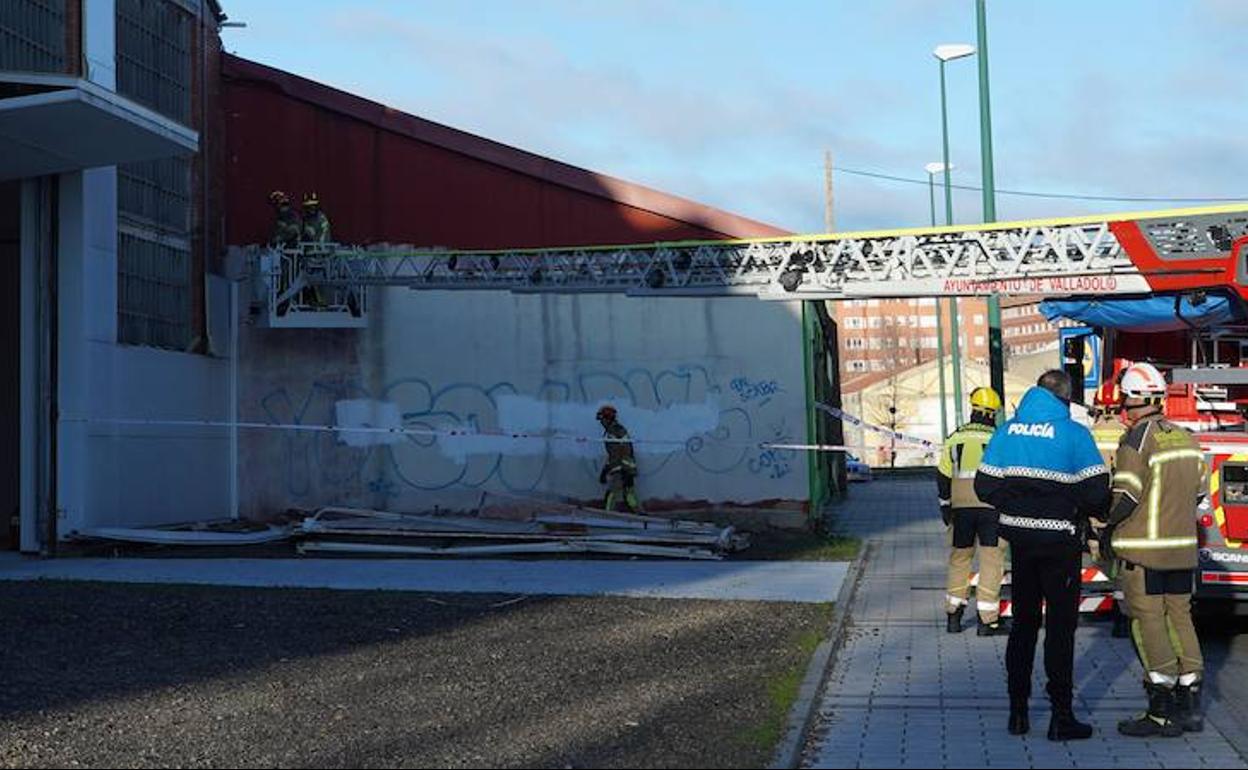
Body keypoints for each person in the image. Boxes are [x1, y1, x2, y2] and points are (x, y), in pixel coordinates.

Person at [974, 370, 1110, 741]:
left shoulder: (1007, 431)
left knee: (1023, 626)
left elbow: (983, 485)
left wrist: (1017, 505)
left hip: (1020, 543)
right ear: (1065, 399)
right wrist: (1069, 505)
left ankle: (1017, 713)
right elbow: (1098, 493)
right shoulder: (1074, 434)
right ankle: (1060, 716)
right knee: (1060, 630)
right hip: (1061, 544)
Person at [1098, 362, 1206, 737]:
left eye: (1124, 400)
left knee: (1148, 623)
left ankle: (1160, 710)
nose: (1122, 408)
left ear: (1133, 399)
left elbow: (1126, 494)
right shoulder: (1186, 437)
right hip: (1182, 552)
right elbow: (1200, 496)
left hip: (1144, 554)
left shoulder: (1136, 440)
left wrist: (1105, 524)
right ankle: (1190, 703)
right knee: (1180, 618)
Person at [938, 386, 1008, 636]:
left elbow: (943, 475)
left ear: (973, 408)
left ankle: (953, 617)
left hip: (961, 510)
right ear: (993, 413)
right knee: (991, 561)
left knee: (960, 560)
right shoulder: (999, 438)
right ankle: (986, 621)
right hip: (992, 510)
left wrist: (945, 506)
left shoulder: (955, 437)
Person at [1089, 379, 1131, 637]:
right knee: (1121, 561)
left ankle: (1105, 597)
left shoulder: (1089, 434)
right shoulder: (1127, 434)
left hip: (1095, 508)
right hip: (1120, 508)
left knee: (1099, 554)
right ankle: (1121, 615)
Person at [597, 405, 641, 513]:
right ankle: (641, 515)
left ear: (607, 419)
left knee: (612, 494)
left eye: (602, 419)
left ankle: (607, 517)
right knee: (629, 494)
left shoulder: (613, 432)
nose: (601, 422)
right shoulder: (618, 430)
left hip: (621, 468)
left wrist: (606, 470)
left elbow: (616, 454)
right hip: (627, 467)